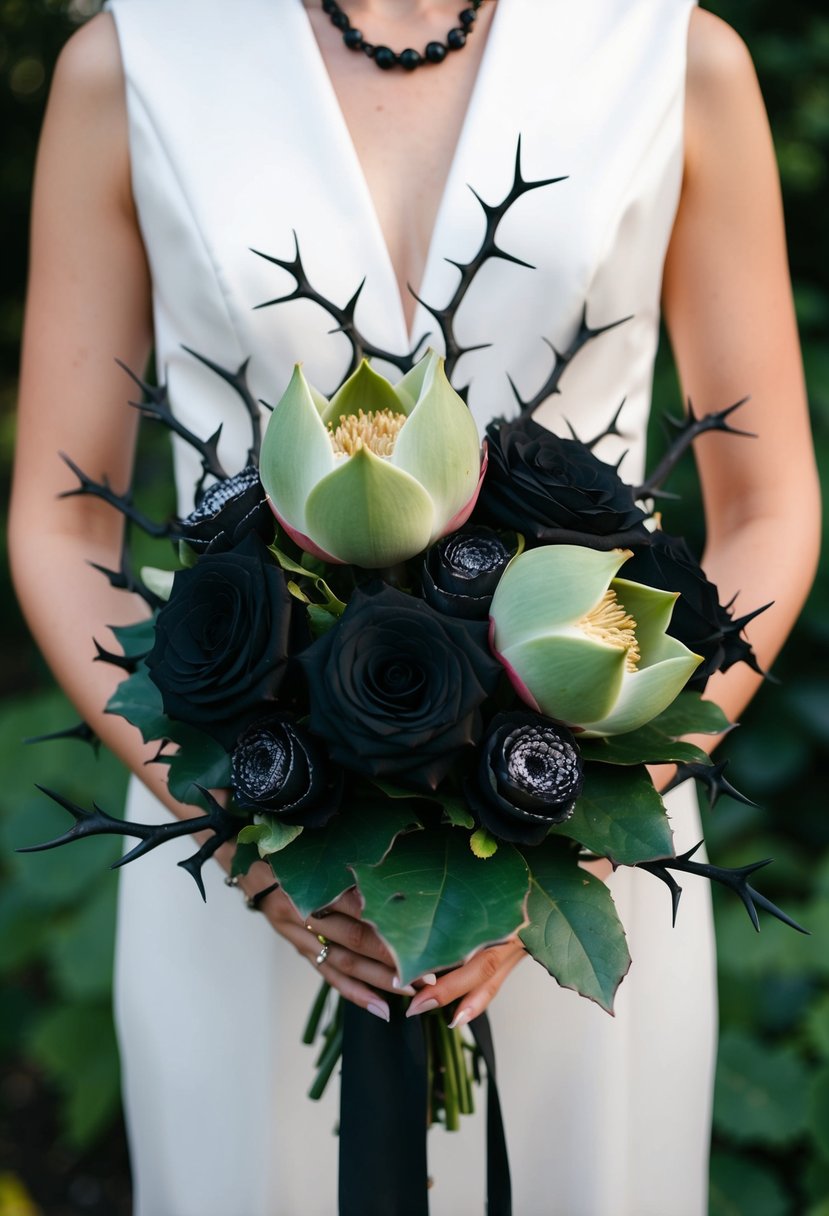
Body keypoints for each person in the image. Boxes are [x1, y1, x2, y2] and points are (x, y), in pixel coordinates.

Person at [8, 1, 819, 1213]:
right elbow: (59, 520)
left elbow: (768, 504)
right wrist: (243, 820)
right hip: (242, 861)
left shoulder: (670, 54)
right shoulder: (130, 64)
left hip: (583, 867)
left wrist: (575, 819)